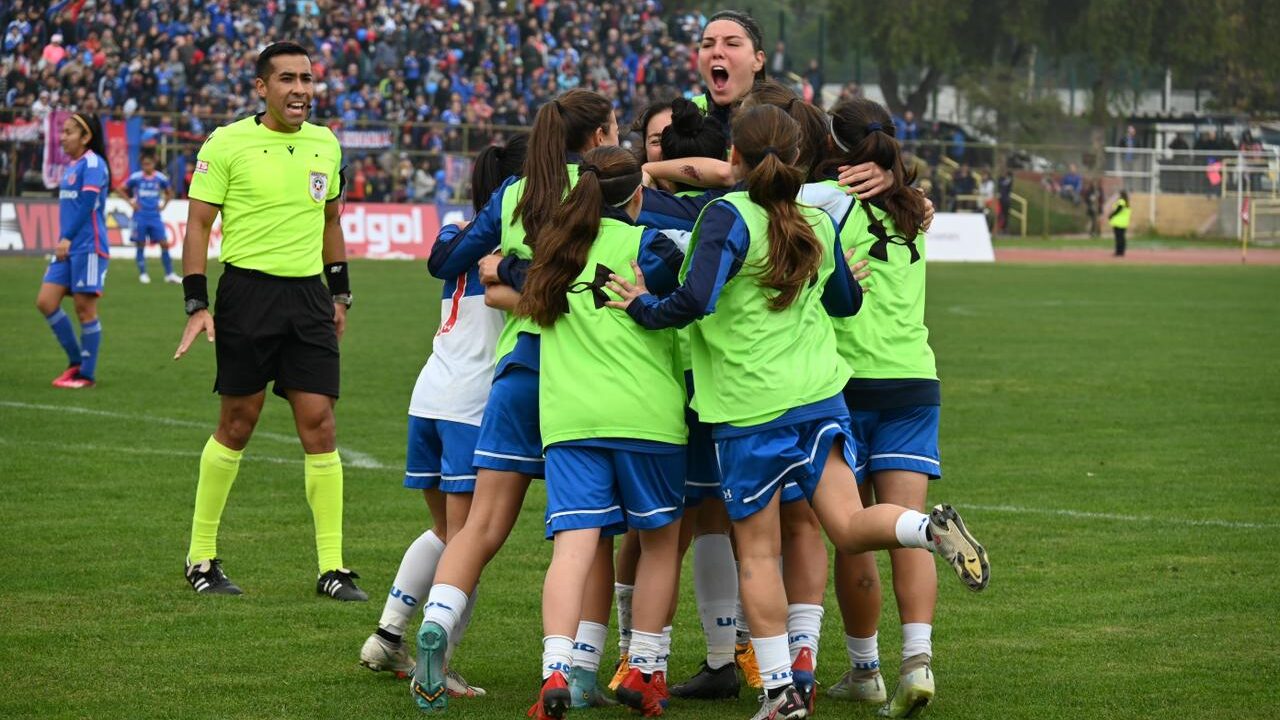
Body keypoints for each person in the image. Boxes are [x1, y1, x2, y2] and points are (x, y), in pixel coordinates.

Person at [608, 104, 991, 720]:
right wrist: (851, 283)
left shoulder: (725, 216)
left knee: (757, 554)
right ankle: (927, 529)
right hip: (819, 399)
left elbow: (693, 301)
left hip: (749, 410)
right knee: (845, 523)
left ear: (735, 155)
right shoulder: (816, 215)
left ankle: (781, 694)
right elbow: (842, 302)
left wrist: (641, 305)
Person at [414, 88, 620, 713]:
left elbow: (453, 260)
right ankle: (579, 672)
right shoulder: (608, 189)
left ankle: (436, 633)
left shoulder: (513, 194)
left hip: (516, 371)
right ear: (600, 135)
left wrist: (504, 269)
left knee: (479, 527)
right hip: (581, 375)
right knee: (589, 534)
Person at [173, 41, 365, 601]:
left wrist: (340, 293)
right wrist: (195, 302)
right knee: (238, 421)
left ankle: (332, 567)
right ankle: (201, 557)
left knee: (320, 423)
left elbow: (331, 220)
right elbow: (198, 226)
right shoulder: (228, 142)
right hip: (246, 294)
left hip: (308, 299)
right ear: (262, 87)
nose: (300, 89)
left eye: (307, 78)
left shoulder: (326, 143)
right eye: (286, 79)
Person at [518, 144, 688, 720]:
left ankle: (556, 672)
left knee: (573, 549)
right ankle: (644, 668)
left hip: (569, 420)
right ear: (637, 196)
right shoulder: (653, 248)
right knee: (661, 544)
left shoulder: (552, 251)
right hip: (648, 418)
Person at [357, 136, 527, 698]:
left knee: (445, 532)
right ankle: (441, 663)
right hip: (472, 406)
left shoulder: (455, 232)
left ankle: (387, 636)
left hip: (428, 396)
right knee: (467, 542)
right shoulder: (510, 253)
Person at [803, 96, 944, 718]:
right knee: (909, 529)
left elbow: (759, 191)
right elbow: (912, 193)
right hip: (915, 380)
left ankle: (865, 671)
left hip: (850, 381)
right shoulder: (916, 206)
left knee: (852, 536)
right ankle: (918, 661)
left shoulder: (827, 200)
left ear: (836, 144)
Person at [36, 112, 110, 390]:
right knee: (45, 302)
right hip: (67, 246)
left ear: (86, 136)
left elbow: (88, 205)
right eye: (63, 131)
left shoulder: (93, 164)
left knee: (85, 310)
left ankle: (86, 376)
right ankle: (76, 362)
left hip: (88, 246)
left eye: (68, 132)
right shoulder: (71, 167)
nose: (62, 137)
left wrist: (66, 237)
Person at [122, 151, 178, 284]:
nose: (147, 166)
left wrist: (164, 205)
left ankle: (169, 274)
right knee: (140, 244)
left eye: (149, 164)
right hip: (140, 216)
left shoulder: (160, 178)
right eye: (144, 164)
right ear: (142, 165)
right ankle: (143, 273)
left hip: (155, 216)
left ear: (154, 164)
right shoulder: (136, 177)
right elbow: (120, 188)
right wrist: (130, 202)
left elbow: (170, 192)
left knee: (164, 243)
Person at [1109, 190, 1130, 257]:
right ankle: (1122, 251)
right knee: (1122, 238)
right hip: (1124, 222)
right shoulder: (1127, 202)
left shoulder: (1121, 201)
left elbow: (1119, 209)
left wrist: (1112, 215)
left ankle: (1118, 252)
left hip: (1118, 222)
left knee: (1118, 238)